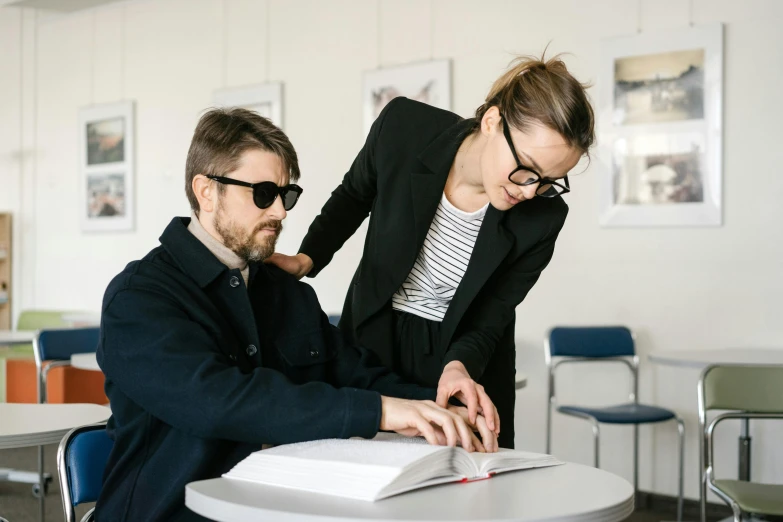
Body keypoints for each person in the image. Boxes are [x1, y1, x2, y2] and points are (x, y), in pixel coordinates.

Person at [94, 108, 497, 522]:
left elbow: (356, 372)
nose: (281, 213)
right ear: (206, 192)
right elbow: (220, 402)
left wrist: (436, 406)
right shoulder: (139, 298)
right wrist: (380, 411)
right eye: (264, 193)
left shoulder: (284, 291)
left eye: (286, 196)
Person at [267, 54, 596, 448]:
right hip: (374, 335)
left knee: (464, 493)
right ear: (492, 122)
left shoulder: (543, 217)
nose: (529, 191)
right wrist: (308, 257)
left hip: (463, 358)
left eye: (548, 181)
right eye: (526, 168)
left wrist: (458, 367)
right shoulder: (404, 128)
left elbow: (492, 312)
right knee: (363, 472)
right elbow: (354, 195)